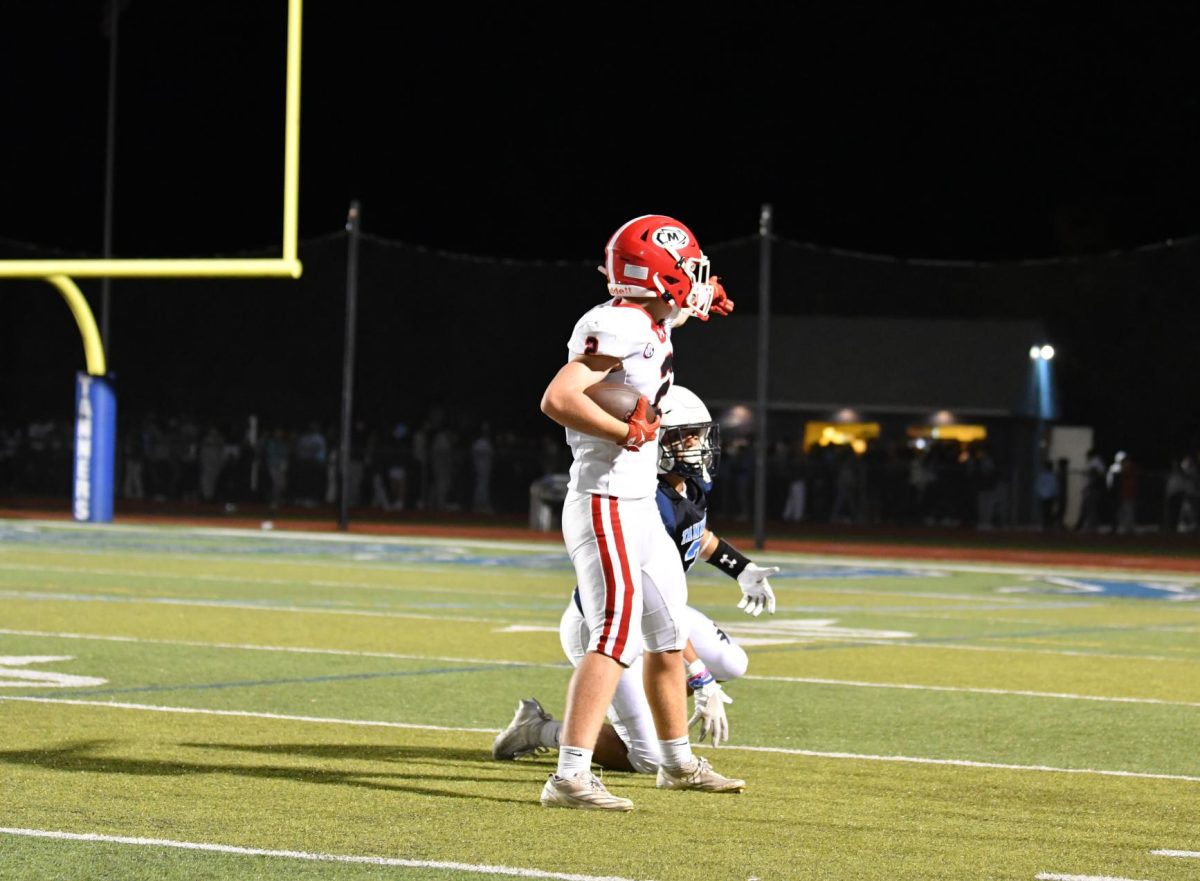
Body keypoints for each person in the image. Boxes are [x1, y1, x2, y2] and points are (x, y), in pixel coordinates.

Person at [535, 215, 763, 812]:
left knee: (667, 637)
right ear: (657, 274)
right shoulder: (616, 323)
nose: (695, 278)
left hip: (636, 501)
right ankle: (569, 778)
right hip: (606, 497)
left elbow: (664, 319)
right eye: (687, 268)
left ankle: (677, 763)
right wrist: (624, 431)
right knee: (614, 634)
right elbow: (558, 399)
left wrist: (699, 299)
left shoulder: (647, 318)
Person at [494, 386, 778, 774]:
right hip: (612, 620)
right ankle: (539, 730)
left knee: (732, 661)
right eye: (684, 436)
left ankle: (649, 710)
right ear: (656, 442)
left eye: (698, 433)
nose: (696, 444)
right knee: (648, 759)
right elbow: (647, 601)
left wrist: (740, 567)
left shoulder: (686, 485)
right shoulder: (644, 500)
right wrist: (698, 675)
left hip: (659, 607)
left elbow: (698, 534)